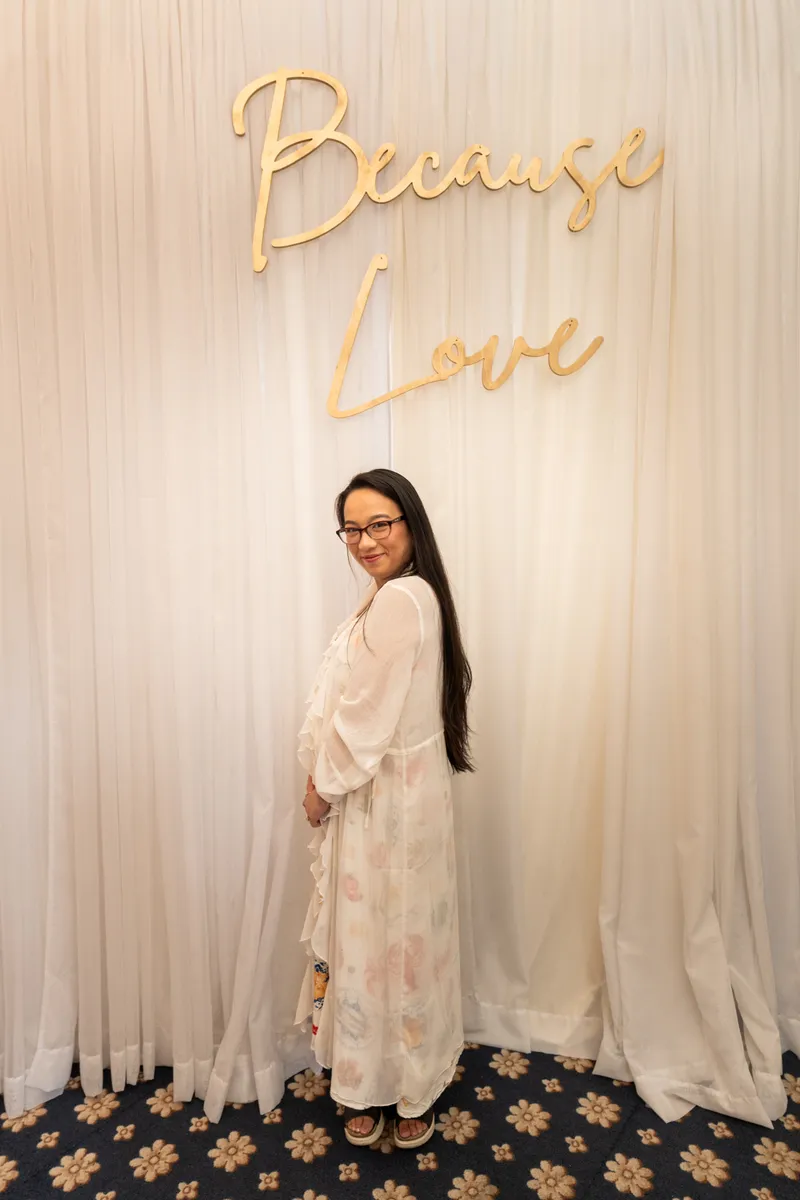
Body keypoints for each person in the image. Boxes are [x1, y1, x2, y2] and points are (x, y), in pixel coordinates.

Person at [296, 468, 474, 1149]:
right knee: (396, 946)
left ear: (408, 524)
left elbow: (362, 719)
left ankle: (402, 1083)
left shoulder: (402, 600)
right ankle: (388, 1078)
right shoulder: (397, 596)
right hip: (400, 798)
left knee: (386, 945)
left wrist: (319, 788)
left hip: (384, 802)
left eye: (380, 524)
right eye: (353, 528)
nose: (365, 540)